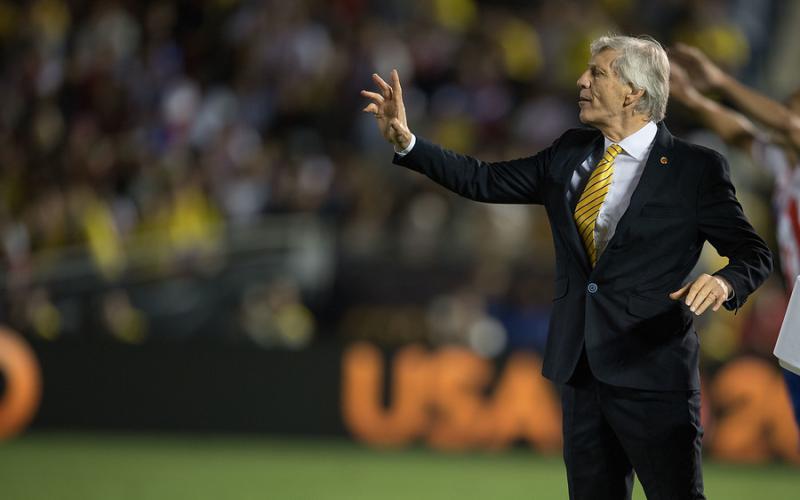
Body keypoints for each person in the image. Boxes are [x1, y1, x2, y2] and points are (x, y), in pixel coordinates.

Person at [362, 34, 773, 499]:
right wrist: (409, 143)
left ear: (633, 92)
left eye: (597, 72)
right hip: (583, 369)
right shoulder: (570, 150)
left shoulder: (694, 168)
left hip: (654, 373)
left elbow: (753, 254)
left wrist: (723, 282)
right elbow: (484, 179)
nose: (581, 80)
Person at [669, 43, 800, 436]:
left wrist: (721, 81)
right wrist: (690, 96)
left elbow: (788, 127)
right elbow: (740, 132)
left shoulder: (791, 140)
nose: (788, 119)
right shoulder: (784, 163)